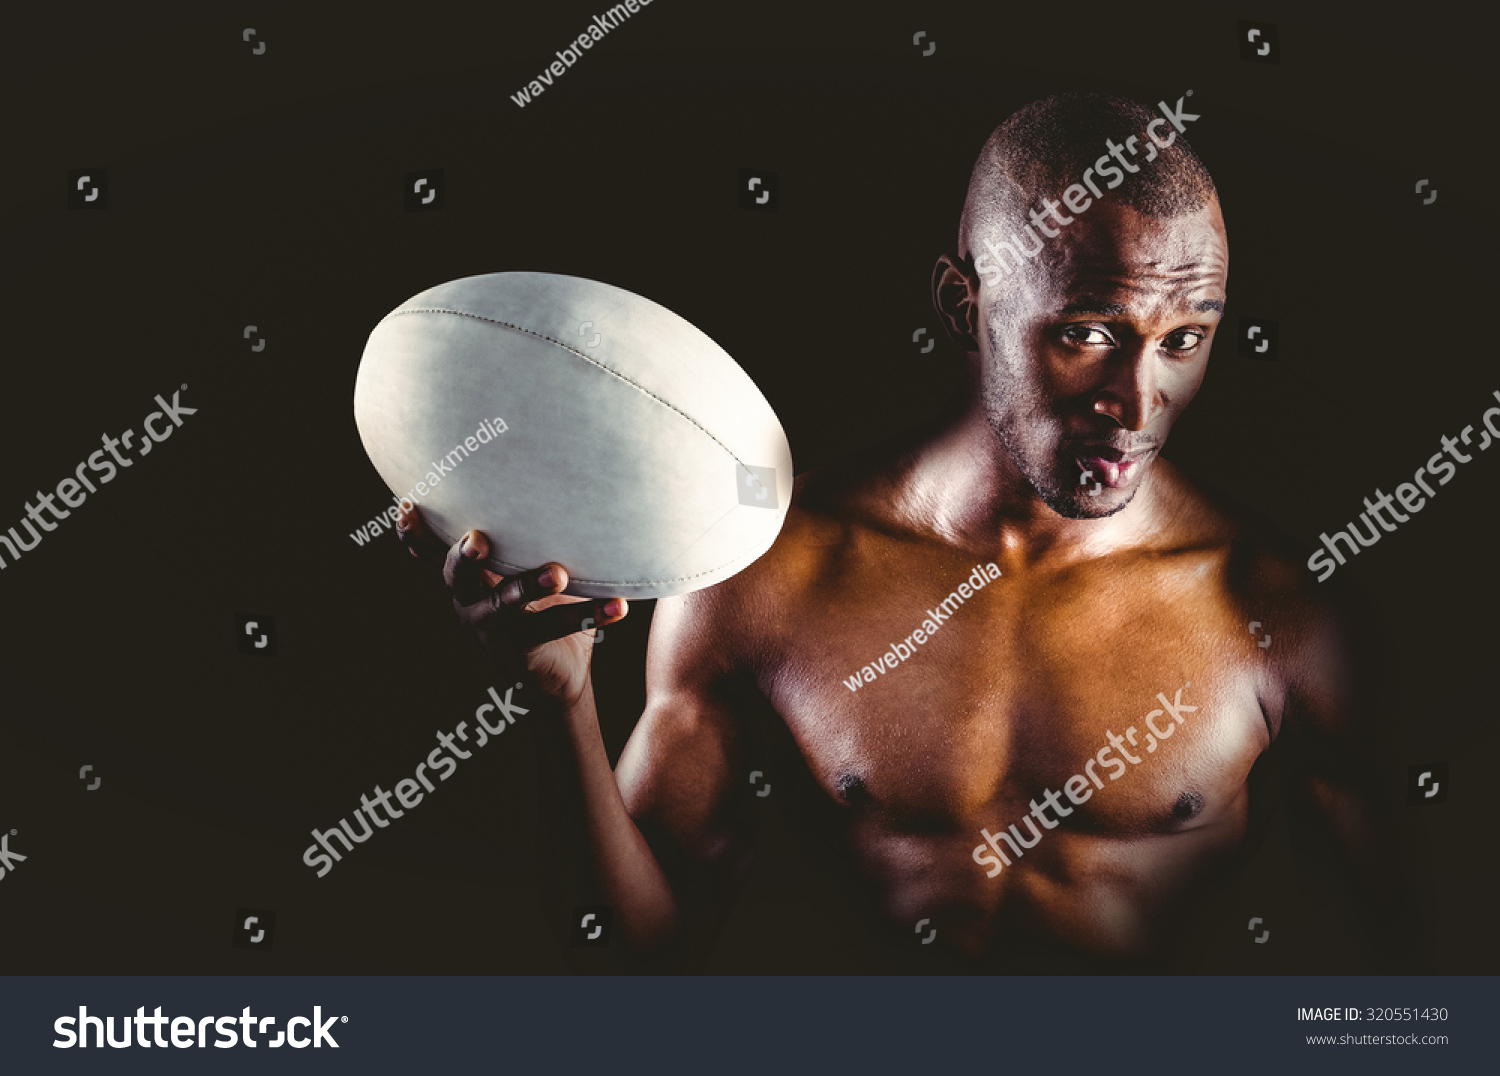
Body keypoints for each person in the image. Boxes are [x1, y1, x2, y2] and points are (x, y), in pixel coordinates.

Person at [396, 93, 1411, 971]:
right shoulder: (770, 573)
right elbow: (632, 957)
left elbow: (1426, 978)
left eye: (1183, 341)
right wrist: (562, 698)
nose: (1136, 400)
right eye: (1087, 332)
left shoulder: (1276, 613)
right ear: (963, 307)